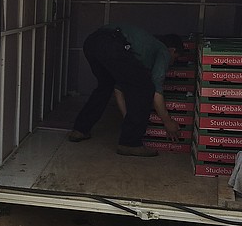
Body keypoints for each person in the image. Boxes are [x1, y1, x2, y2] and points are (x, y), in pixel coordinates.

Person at [67, 23, 184, 157]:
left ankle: (80, 129)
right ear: (173, 50)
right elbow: (156, 91)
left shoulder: (142, 47)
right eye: (176, 58)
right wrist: (167, 121)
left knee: (106, 85)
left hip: (92, 42)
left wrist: (127, 118)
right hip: (113, 44)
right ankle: (130, 143)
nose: (173, 62)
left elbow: (118, 87)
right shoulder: (163, 50)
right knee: (146, 87)